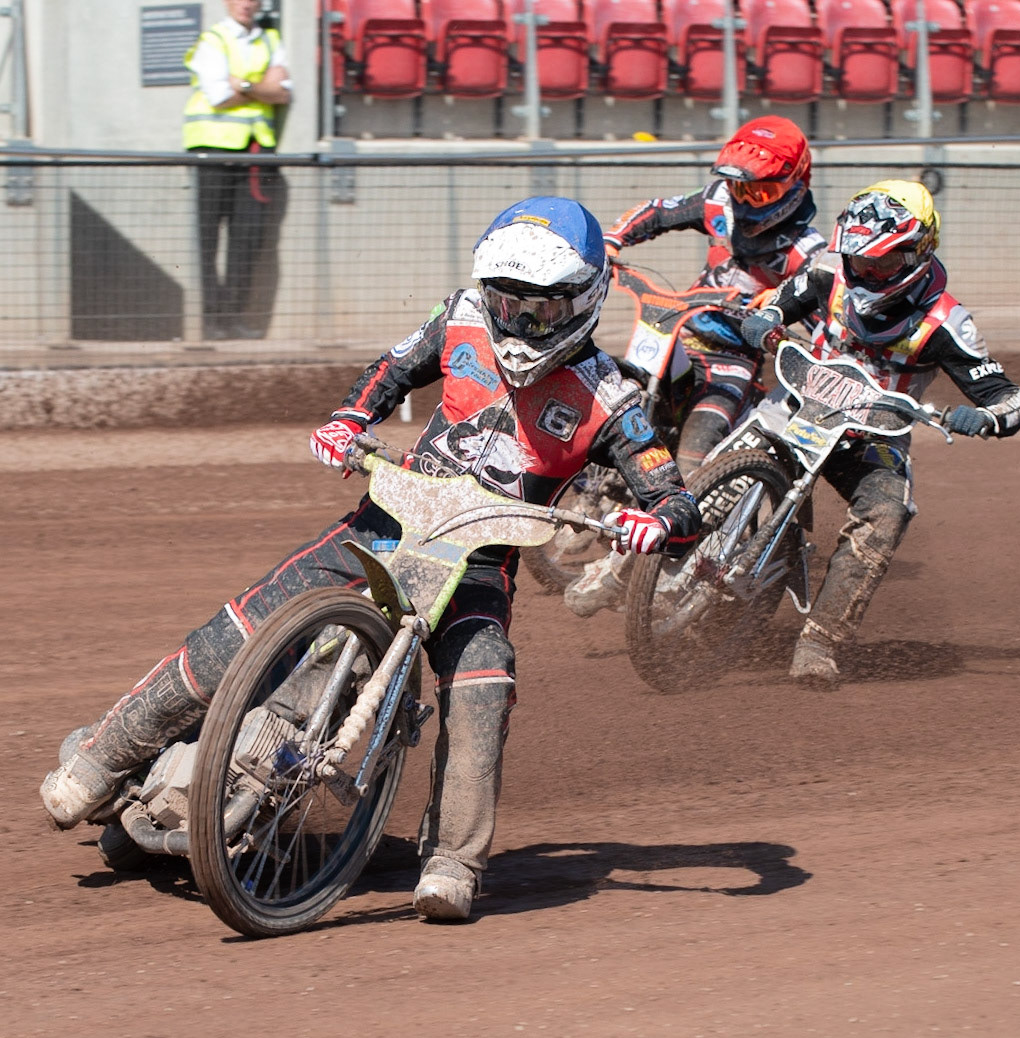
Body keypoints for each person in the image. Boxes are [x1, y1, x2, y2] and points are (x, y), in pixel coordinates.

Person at [39, 197, 701, 921]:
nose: (519, 321)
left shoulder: (612, 395)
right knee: (237, 628)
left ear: (582, 301)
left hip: (479, 565)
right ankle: (98, 760)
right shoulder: (462, 318)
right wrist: (350, 418)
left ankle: (452, 860)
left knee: (483, 684)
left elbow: (674, 496)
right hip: (384, 521)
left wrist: (655, 520)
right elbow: (392, 367)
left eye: (539, 309)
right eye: (506, 302)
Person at [738, 180, 1020, 688]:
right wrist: (763, 322)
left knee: (888, 511)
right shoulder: (829, 274)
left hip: (874, 432)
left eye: (883, 265)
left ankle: (819, 642)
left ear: (918, 254)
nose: (868, 274)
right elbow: (775, 306)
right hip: (798, 401)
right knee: (731, 453)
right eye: (860, 262)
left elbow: (1010, 399)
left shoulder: (945, 322)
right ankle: (620, 567)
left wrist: (983, 418)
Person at [563, 115, 827, 617]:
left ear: (794, 185)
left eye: (759, 192)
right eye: (737, 188)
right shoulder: (718, 202)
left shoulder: (806, 252)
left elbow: (824, 317)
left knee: (694, 455)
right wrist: (615, 240)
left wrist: (781, 326)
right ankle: (593, 483)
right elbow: (659, 212)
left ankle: (647, 564)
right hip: (682, 332)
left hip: (735, 358)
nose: (744, 200)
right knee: (619, 389)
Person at [183, 0, 291, 340]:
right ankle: (211, 321)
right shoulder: (212, 39)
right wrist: (262, 88)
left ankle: (232, 320)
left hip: (254, 151)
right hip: (212, 150)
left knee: (247, 240)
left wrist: (241, 85)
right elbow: (216, 94)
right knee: (208, 243)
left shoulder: (271, 40)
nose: (247, 3)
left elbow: (283, 92)